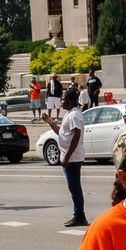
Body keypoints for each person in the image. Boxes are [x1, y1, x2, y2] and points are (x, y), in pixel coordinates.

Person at [46, 87, 88, 226]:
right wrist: (51, 122)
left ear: (69, 101)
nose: (61, 101)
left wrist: (67, 157)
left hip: (73, 158)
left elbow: (76, 135)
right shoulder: (70, 114)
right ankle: (79, 215)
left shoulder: (75, 115)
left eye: (63, 99)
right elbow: (63, 133)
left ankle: (79, 216)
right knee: (73, 187)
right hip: (70, 156)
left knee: (75, 187)